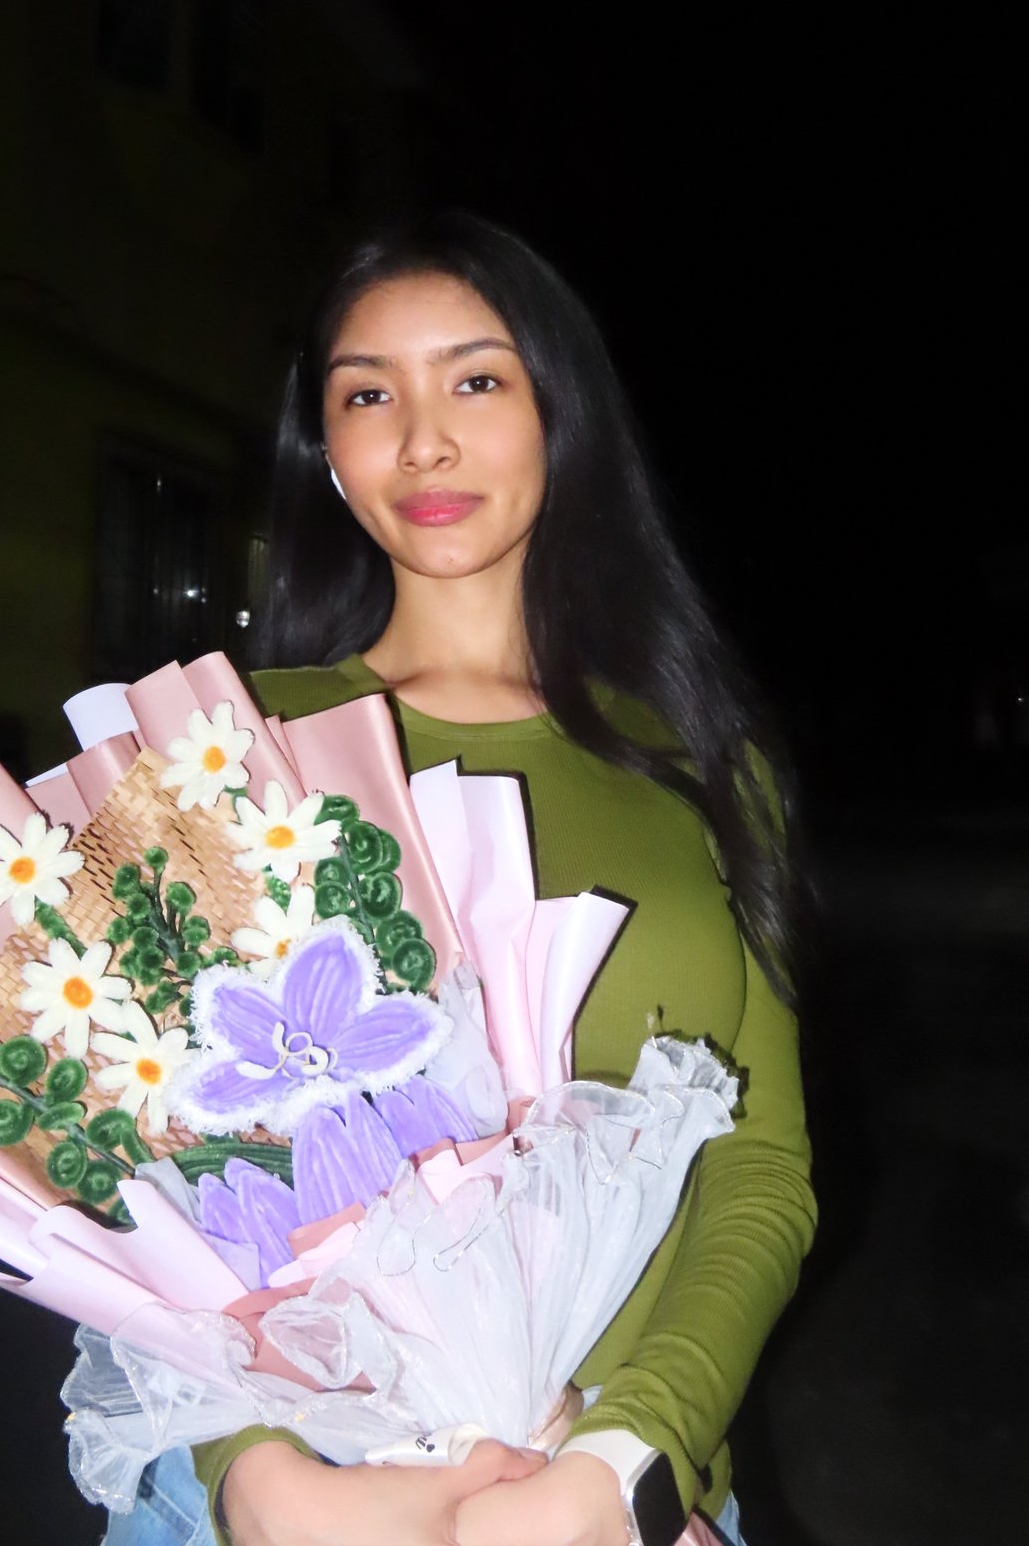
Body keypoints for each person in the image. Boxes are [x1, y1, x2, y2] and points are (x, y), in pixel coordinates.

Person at [109, 212, 816, 1546]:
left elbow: (761, 1166)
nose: (421, 439)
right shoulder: (220, 744)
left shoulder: (706, 764)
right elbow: (121, 1162)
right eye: (367, 395)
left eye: (475, 380)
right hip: (299, 1503)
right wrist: (255, 1475)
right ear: (326, 453)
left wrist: (626, 1460)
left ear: (563, 416)